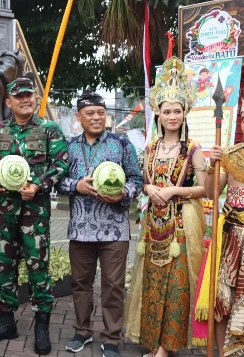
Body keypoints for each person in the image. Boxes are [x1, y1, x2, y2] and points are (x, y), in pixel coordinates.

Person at [124, 56, 206, 357]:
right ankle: (153, 340)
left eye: (177, 111)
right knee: (153, 282)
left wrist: (173, 190)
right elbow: (143, 179)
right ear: (158, 113)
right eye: (167, 111)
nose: (172, 116)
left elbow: (206, 189)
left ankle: (166, 347)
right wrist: (147, 188)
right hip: (154, 225)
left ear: (185, 114)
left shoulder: (192, 149)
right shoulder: (151, 147)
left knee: (176, 285)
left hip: (181, 225)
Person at [0, 78, 68, 355]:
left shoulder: (48, 130)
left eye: (29, 96)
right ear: (9, 102)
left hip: (35, 212)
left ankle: (41, 326)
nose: (25, 100)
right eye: (19, 97)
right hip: (5, 211)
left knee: (38, 269)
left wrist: (39, 185)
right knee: (4, 267)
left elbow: (61, 164)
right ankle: (7, 322)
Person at [59, 90, 142, 357]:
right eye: (90, 113)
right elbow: (56, 180)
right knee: (80, 284)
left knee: (113, 285)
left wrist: (124, 193)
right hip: (80, 230)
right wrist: (76, 185)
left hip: (114, 229)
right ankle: (82, 331)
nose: (96, 118)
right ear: (79, 117)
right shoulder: (69, 147)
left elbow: (137, 179)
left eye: (100, 113)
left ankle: (111, 338)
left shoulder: (121, 144)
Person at [205, 104, 244, 356]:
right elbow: (210, 193)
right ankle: (223, 354)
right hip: (232, 241)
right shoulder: (231, 155)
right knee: (222, 301)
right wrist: (212, 165)